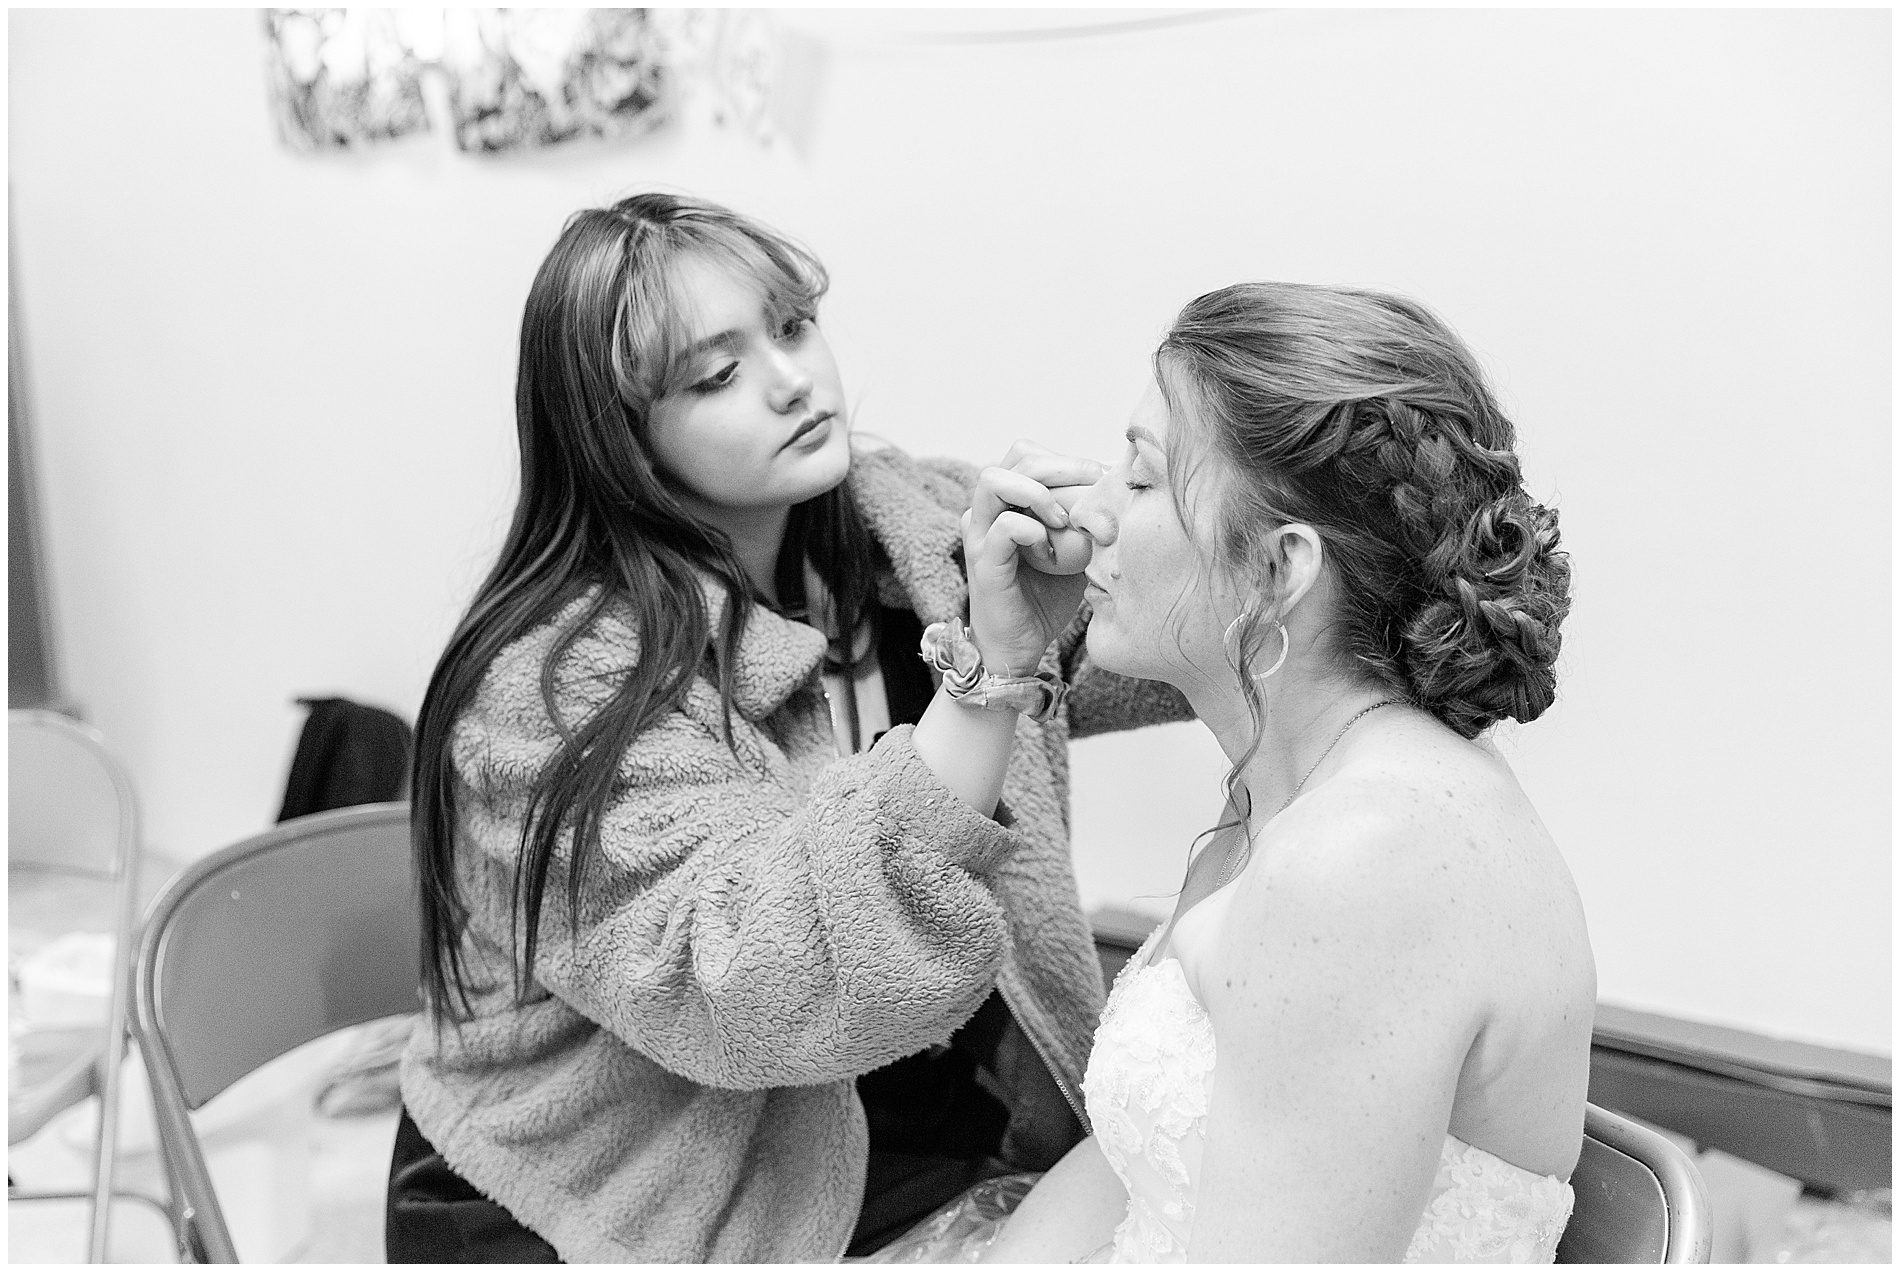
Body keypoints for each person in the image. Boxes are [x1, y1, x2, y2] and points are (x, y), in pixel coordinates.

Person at [384, 191, 1190, 1263]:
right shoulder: (554, 692)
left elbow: (1164, 640)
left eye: (794, 324)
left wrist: (1219, 534)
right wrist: (986, 676)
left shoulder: (908, 528)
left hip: (898, 1129)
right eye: (716, 375)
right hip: (627, 1208)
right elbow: (763, 996)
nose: (790, 381)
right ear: (616, 439)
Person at [869, 281, 1594, 1263]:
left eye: (1140, 478)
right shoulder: (1292, 787)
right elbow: (1137, 1168)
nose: (1088, 512)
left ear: (1280, 569)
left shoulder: (1364, 861)